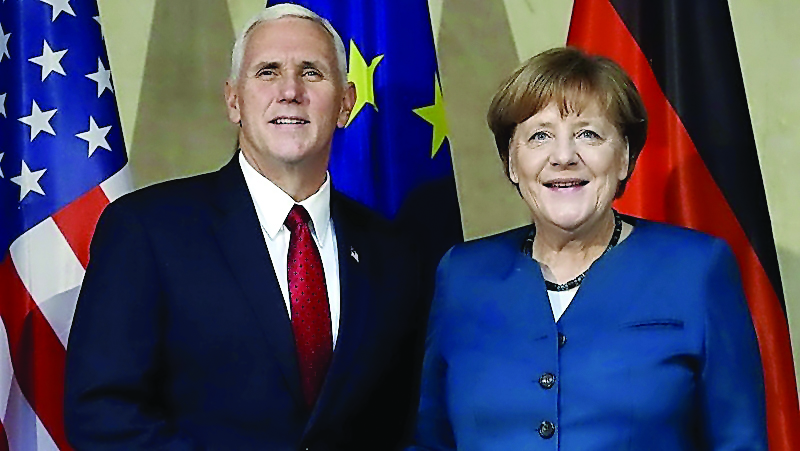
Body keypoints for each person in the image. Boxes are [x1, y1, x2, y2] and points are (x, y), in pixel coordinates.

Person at [65, 4, 425, 450]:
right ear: (234, 100)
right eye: (268, 72)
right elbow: (102, 413)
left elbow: (409, 420)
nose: (290, 91)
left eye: (311, 72)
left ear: (346, 103)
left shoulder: (394, 253)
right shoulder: (146, 230)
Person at [409, 47, 767, 450]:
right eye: (540, 135)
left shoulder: (696, 269)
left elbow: (740, 441)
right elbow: (430, 440)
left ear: (624, 157)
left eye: (588, 134)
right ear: (511, 162)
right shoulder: (462, 274)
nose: (563, 157)